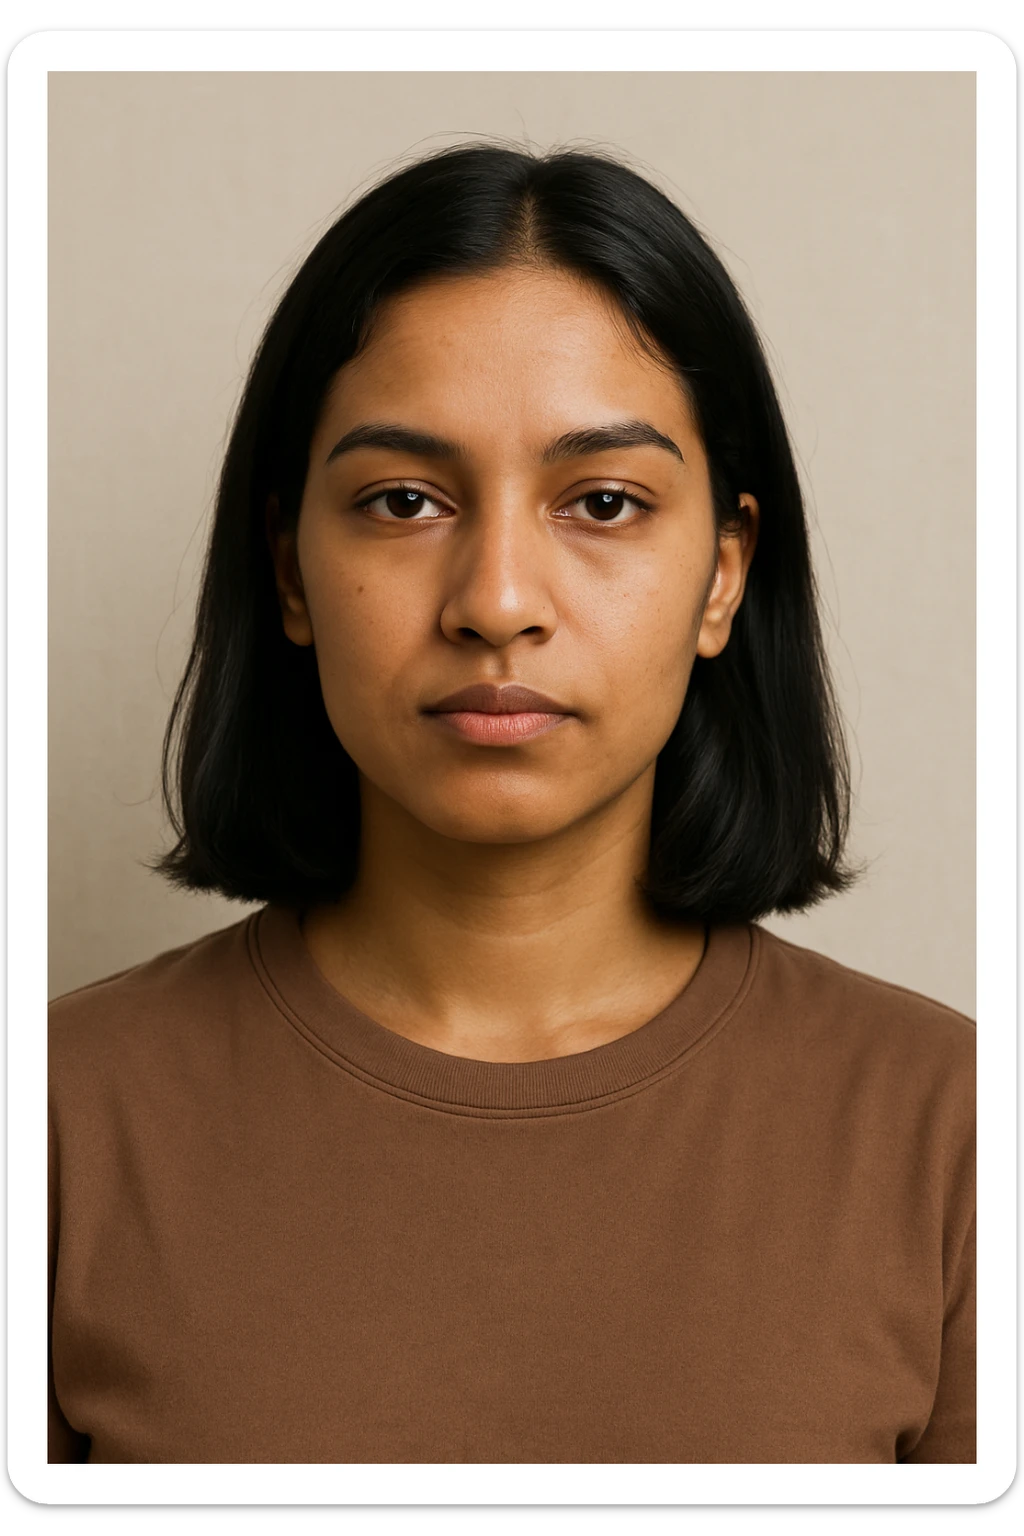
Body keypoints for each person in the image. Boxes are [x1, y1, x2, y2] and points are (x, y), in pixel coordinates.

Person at [47, 142, 975, 1464]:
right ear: (290, 569)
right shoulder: (59, 1122)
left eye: (601, 501)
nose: (495, 601)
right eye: (403, 501)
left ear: (723, 576)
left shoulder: (955, 1137)